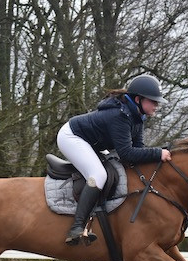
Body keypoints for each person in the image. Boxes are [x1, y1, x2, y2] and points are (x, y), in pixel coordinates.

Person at [57, 74, 172, 245]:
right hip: (71, 136)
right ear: (139, 99)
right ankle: (77, 227)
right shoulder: (120, 116)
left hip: (90, 141)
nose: (156, 105)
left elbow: (138, 149)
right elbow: (126, 153)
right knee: (98, 175)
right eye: (153, 101)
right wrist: (157, 153)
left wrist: (159, 153)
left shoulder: (137, 117)